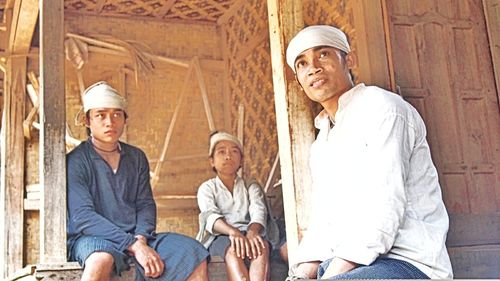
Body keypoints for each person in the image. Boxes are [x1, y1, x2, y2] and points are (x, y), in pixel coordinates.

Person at [284, 25, 453, 279]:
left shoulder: (383, 108)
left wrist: (331, 277)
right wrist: (300, 274)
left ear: (349, 60)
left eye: (324, 54)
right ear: (299, 81)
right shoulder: (322, 143)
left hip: (406, 262)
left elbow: (385, 208)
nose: (314, 68)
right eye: (302, 63)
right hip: (346, 265)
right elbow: (322, 221)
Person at [67, 81, 210, 281]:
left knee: (192, 251)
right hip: (94, 238)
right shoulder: (76, 160)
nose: (110, 122)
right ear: (87, 121)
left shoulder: (136, 157)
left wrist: (141, 238)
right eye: (101, 115)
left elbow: (145, 204)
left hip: (137, 236)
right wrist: (133, 245)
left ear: (125, 119)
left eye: (117, 114)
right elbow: (83, 217)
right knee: (99, 260)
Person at [196, 131, 271, 281]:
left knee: (261, 249)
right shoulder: (207, 188)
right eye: (221, 152)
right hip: (221, 236)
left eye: (234, 151)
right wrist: (233, 232)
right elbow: (210, 217)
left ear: (241, 160)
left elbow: (258, 210)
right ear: (212, 161)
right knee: (233, 252)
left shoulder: (251, 186)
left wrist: (252, 232)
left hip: (250, 233)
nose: (228, 156)